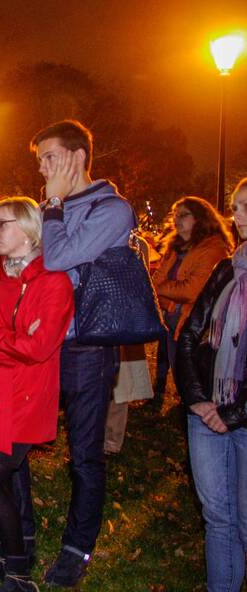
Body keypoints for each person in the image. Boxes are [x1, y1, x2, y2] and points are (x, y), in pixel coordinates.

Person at [0, 119, 135, 586]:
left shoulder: (113, 209)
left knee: (84, 452)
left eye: (50, 158)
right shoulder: (51, 209)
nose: (44, 168)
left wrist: (51, 206)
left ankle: (77, 548)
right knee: (15, 446)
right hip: (39, 347)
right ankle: (19, 538)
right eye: (40, 160)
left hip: (86, 344)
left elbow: (62, 257)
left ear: (78, 157)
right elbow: (23, 252)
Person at [0, 197, 74, 591]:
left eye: (1, 225)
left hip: (23, 400)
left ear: (28, 230)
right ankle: (7, 551)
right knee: (7, 482)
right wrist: (9, 339)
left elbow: (40, 347)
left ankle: (19, 572)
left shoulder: (53, 282)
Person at [175, 176, 247, 592]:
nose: (236, 214)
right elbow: (191, 334)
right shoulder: (227, 269)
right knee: (218, 518)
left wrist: (232, 413)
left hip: (240, 418)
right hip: (206, 413)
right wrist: (199, 400)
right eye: (235, 205)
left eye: (244, 205)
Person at [150, 196, 233, 407]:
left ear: (200, 219)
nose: (177, 220)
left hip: (193, 320)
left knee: (188, 368)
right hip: (170, 313)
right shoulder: (174, 247)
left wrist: (163, 289)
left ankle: (193, 407)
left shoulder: (212, 248)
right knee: (173, 362)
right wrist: (167, 293)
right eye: (175, 215)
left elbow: (192, 291)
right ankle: (179, 402)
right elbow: (156, 280)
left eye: (184, 215)